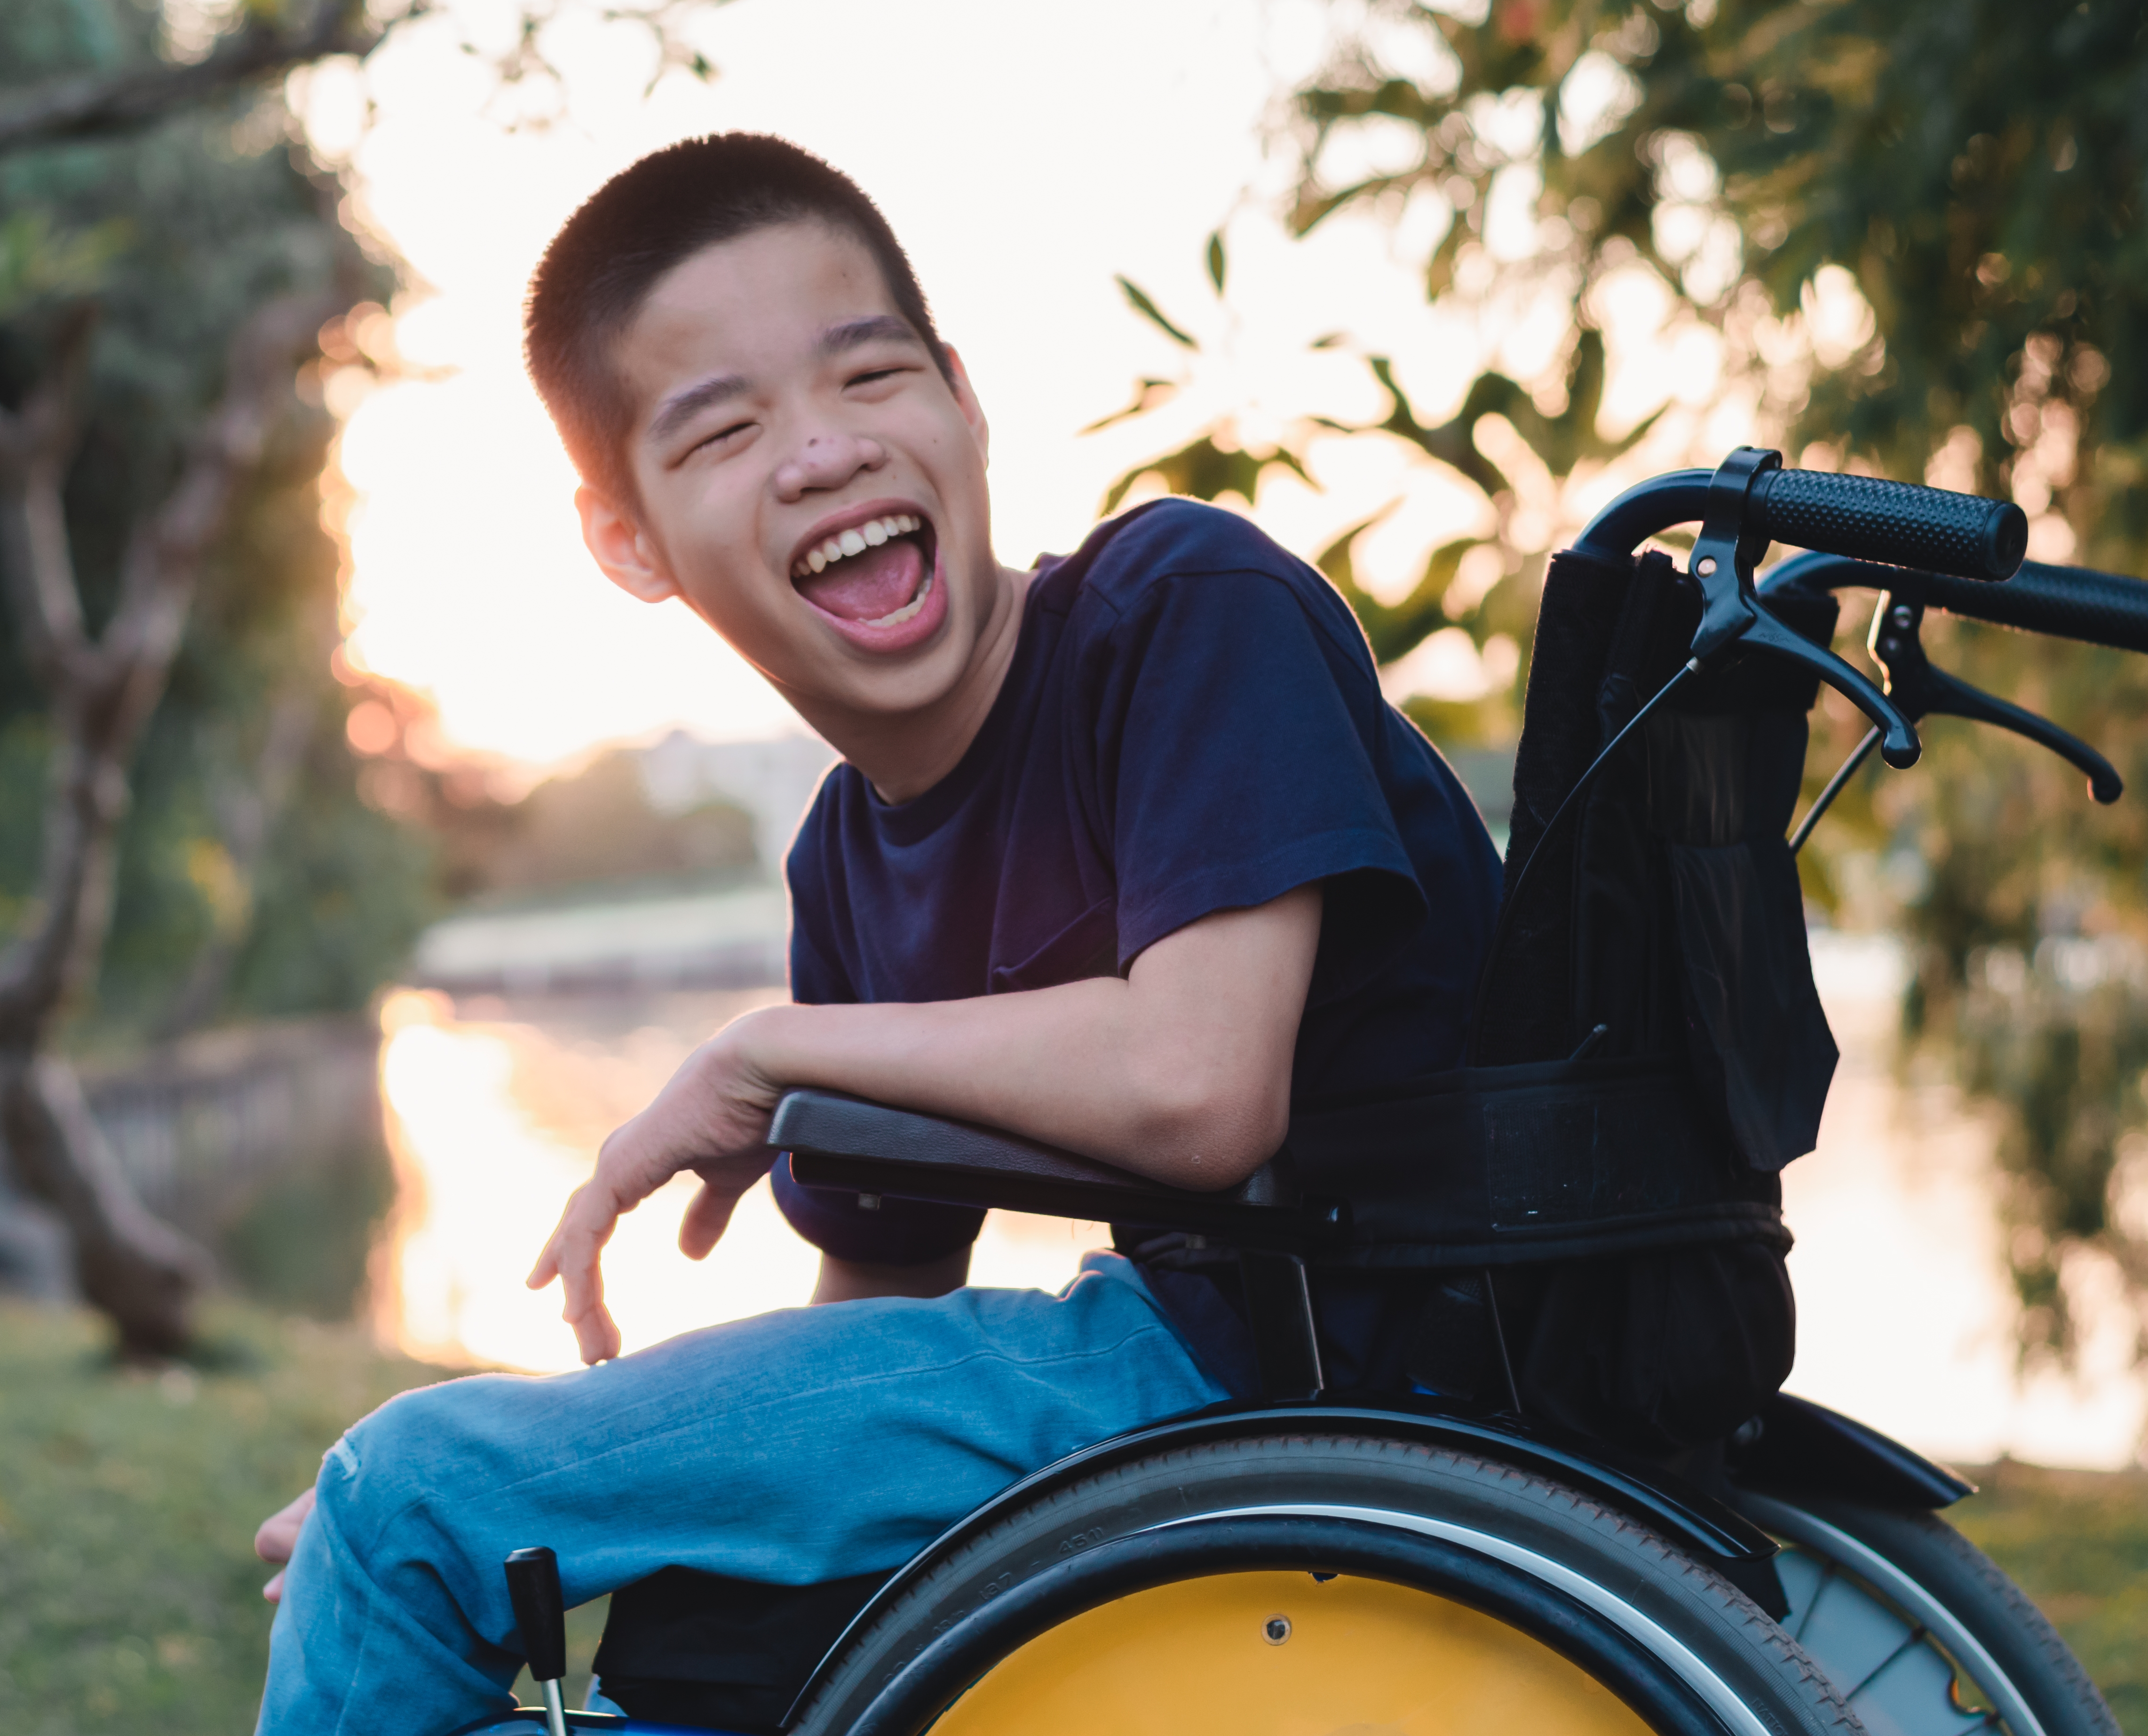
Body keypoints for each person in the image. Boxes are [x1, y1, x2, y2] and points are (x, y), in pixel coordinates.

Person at [249, 133, 1500, 1734]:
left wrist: (767, 1055)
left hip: (1336, 1368)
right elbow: (877, 1335)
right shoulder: (846, 855)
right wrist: (583, 1495)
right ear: (629, 540)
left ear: (965, 402)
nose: (821, 452)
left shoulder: (1182, 605)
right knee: (498, 1561)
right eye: (725, 429)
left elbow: (1203, 1085)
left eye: (868, 378)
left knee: (411, 1491)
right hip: (1189, 1379)